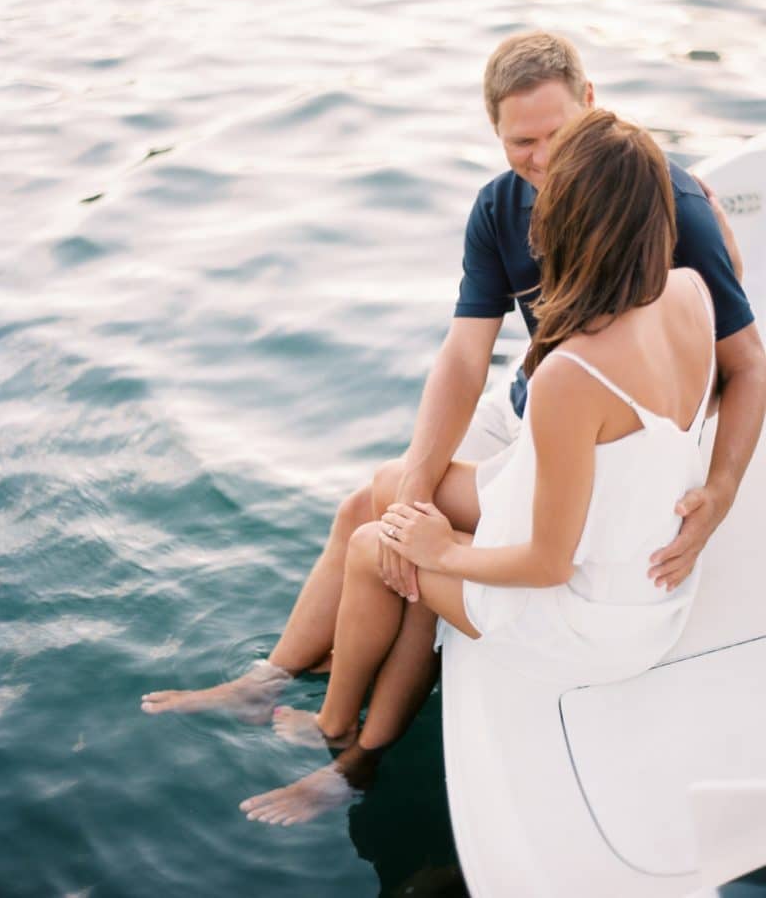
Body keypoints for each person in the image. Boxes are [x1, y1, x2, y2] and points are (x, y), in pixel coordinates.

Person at [141, 33, 766, 808]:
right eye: (521, 145)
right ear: (496, 137)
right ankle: (268, 683)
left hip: (595, 435)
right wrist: (419, 485)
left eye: (558, 139)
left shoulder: (658, 212)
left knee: (395, 541)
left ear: (592, 107)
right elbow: (465, 359)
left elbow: (741, 366)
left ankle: (347, 743)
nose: (542, 165)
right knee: (378, 503)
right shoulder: (507, 212)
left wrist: (724, 487)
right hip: (540, 418)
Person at [238, 110, 727, 824]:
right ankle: (344, 736)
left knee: (389, 543)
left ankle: (345, 742)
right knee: (402, 517)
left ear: (571, 222)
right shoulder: (691, 292)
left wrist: (441, 552)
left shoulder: (574, 375)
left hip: (592, 622)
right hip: (650, 592)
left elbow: (549, 564)